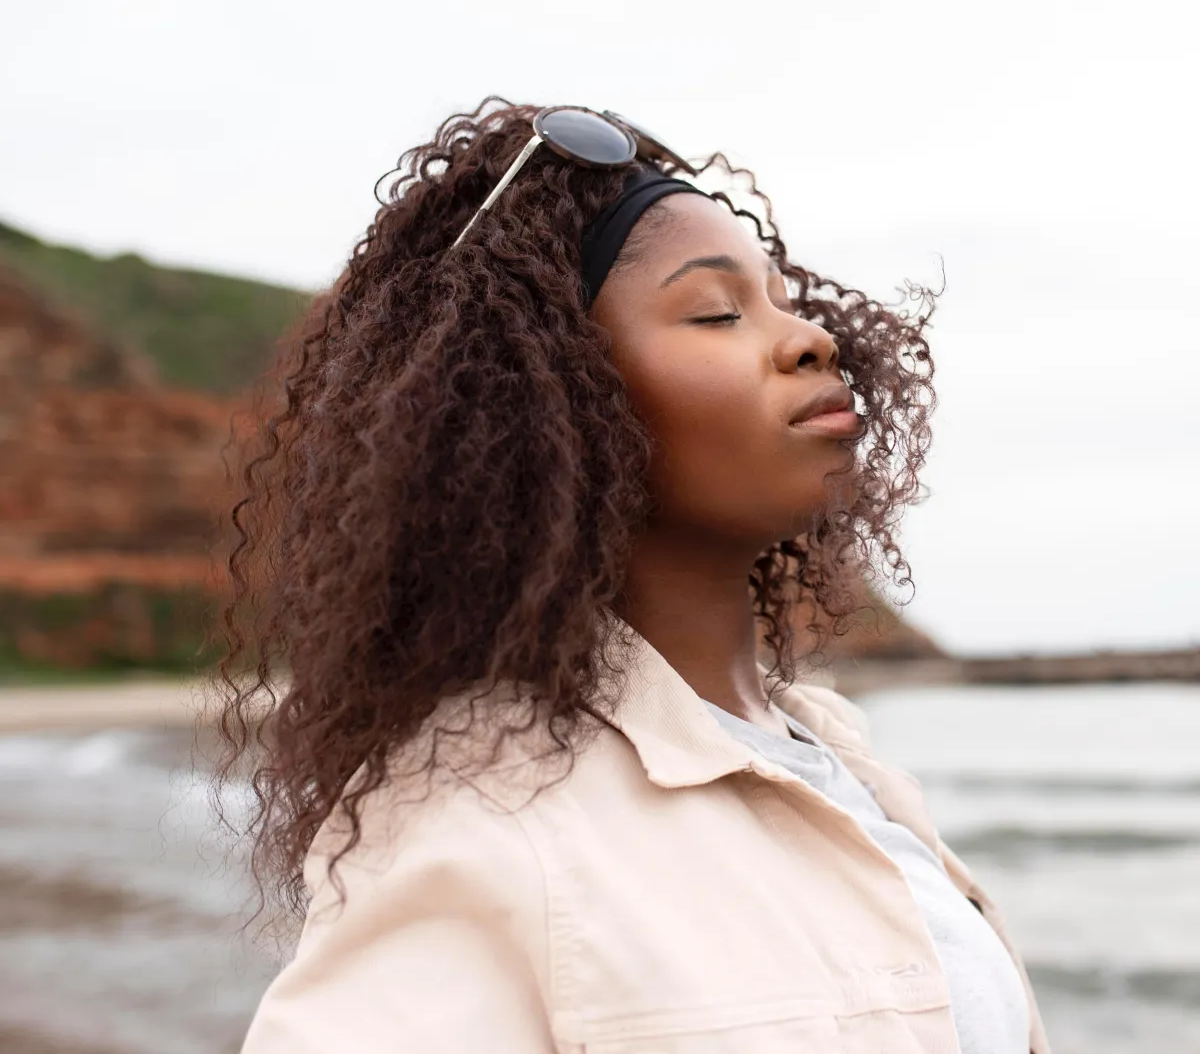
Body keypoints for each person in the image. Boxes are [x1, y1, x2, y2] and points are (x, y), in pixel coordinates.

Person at [222, 100, 1049, 1053]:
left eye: (785, 301)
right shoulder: (484, 820)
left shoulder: (838, 758)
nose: (810, 339)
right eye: (717, 312)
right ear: (550, 403)